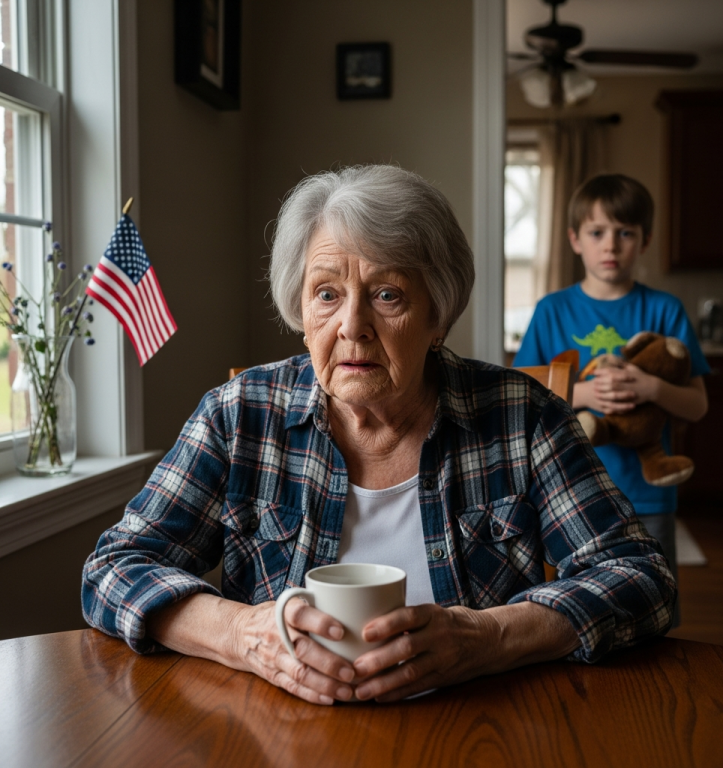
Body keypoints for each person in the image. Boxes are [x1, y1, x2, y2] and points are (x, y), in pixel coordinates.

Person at [82, 165, 676, 706]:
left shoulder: (523, 417)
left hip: (478, 732)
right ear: (301, 307)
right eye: (327, 294)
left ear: (438, 314)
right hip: (279, 735)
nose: (352, 326)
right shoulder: (239, 416)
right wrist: (242, 634)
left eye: (388, 294)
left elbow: (641, 578)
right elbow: (113, 568)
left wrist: (488, 636)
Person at [514, 173, 709, 627]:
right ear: (574, 240)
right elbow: (524, 392)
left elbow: (697, 406)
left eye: (625, 233)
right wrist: (583, 392)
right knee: (573, 609)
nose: (611, 245)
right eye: (597, 232)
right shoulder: (552, 310)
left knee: (655, 609)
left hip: (648, 492)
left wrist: (652, 388)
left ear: (645, 241)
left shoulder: (665, 310)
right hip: (565, 492)